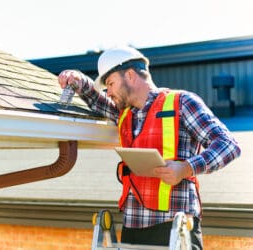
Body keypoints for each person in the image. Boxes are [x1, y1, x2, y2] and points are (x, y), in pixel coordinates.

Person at [58, 46, 241, 249]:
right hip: (132, 225)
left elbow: (228, 145)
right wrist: (77, 79)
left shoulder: (182, 103)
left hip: (173, 227)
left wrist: (186, 168)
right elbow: (95, 99)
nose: (108, 92)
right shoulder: (125, 114)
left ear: (130, 75)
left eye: (110, 83)